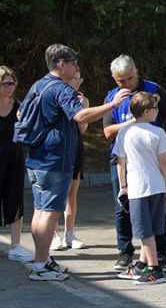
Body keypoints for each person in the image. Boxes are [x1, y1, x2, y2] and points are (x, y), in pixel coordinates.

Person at [16, 44, 130, 281]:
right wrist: (112, 105)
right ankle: (40, 266)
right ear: (61, 65)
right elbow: (81, 115)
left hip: (37, 158)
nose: (77, 67)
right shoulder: (62, 89)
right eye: (73, 63)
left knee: (40, 211)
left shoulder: (39, 84)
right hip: (54, 160)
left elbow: (21, 114)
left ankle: (42, 259)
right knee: (50, 212)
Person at [103, 54, 166, 272]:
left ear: (136, 72)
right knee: (124, 206)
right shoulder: (113, 97)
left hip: (152, 160)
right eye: (120, 80)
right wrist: (133, 123)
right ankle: (125, 252)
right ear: (114, 79)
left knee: (156, 208)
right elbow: (108, 131)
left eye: (129, 78)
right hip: (124, 160)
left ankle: (160, 254)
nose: (126, 84)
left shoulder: (154, 90)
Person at [113, 92, 166, 285]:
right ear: (146, 111)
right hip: (156, 186)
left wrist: (123, 186)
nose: (157, 112)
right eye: (155, 109)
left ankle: (154, 269)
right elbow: (164, 162)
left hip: (138, 188)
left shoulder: (124, 133)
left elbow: (120, 163)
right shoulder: (158, 132)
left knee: (144, 231)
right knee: (150, 230)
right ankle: (143, 265)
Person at [52, 71, 89, 251]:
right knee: (55, 194)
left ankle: (69, 234)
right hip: (58, 150)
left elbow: (82, 129)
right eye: (75, 79)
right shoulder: (57, 96)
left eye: (80, 79)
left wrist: (83, 108)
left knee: (71, 194)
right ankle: (53, 234)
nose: (78, 82)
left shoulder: (82, 100)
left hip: (76, 148)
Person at [0, 66, 34, 264]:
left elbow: (28, 133)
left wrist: (25, 121)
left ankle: (15, 246)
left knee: (15, 201)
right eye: (6, 83)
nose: (11, 87)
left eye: (13, 83)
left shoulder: (19, 107)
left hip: (14, 160)